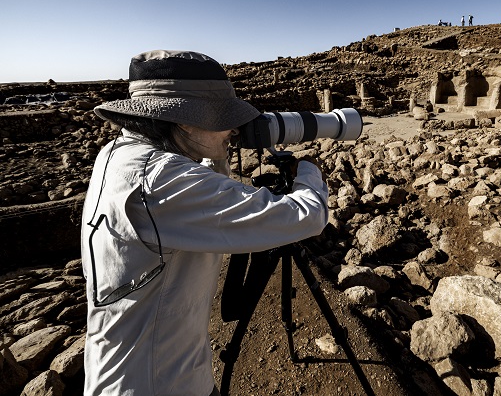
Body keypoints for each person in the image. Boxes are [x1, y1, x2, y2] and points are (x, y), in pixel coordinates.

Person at [80, 50, 329, 395]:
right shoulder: (161, 180)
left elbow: (200, 188)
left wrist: (216, 148)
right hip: (160, 383)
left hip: (133, 371)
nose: (232, 128)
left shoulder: (118, 155)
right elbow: (307, 215)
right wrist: (309, 172)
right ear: (182, 120)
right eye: (222, 117)